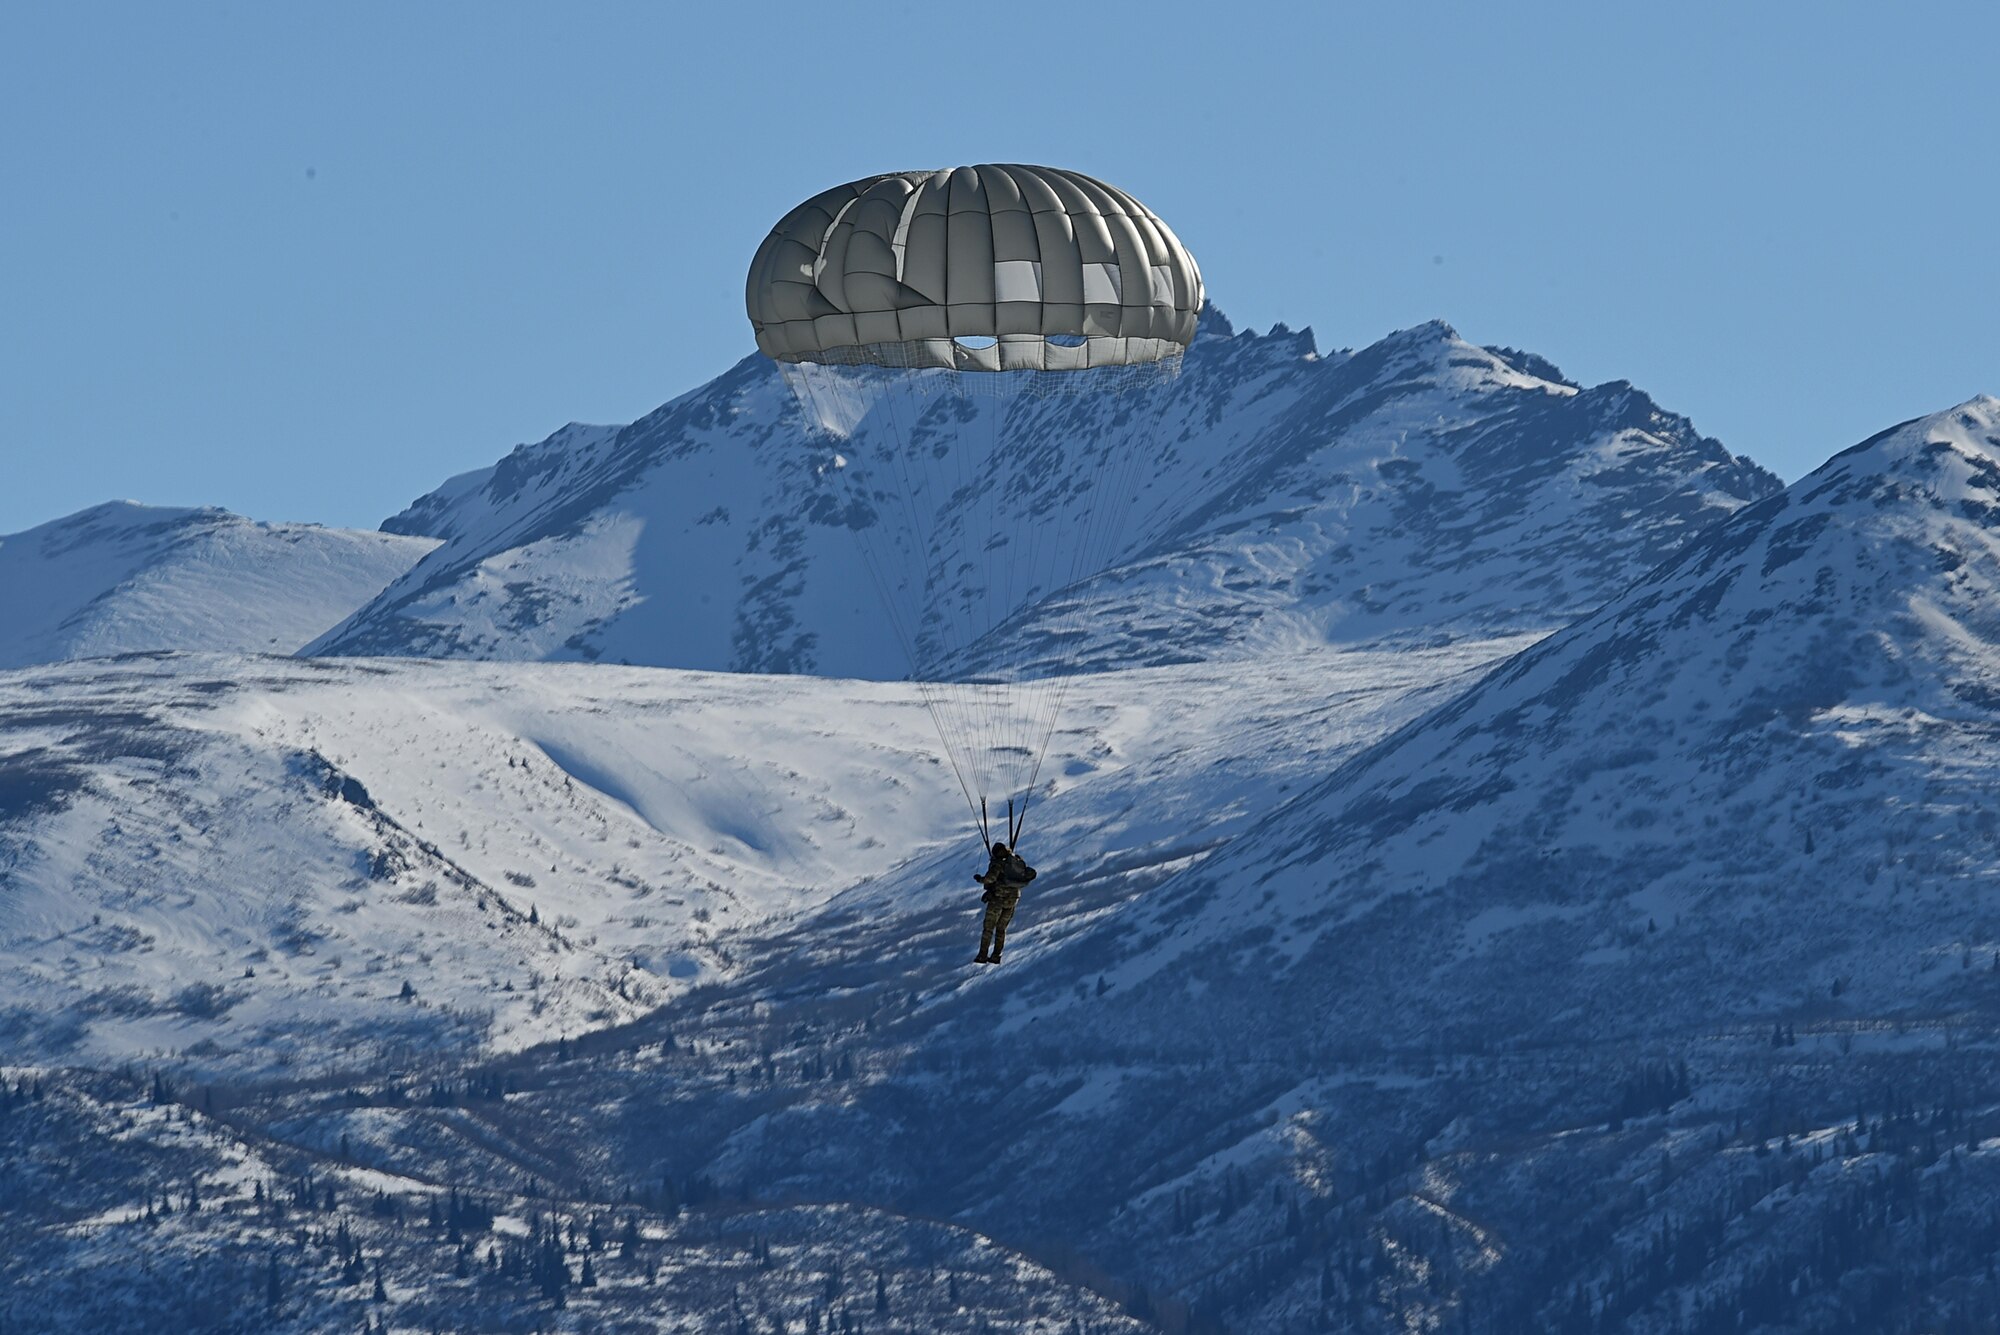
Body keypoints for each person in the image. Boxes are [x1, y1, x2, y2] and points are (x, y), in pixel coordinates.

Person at [973, 840, 1036, 964]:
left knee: (988, 928)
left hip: (998, 900)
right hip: (1012, 900)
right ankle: (996, 956)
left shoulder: (998, 864)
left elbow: (990, 879)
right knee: (1001, 929)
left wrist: (980, 879)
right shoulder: (1014, 861)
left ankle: (983, 955)